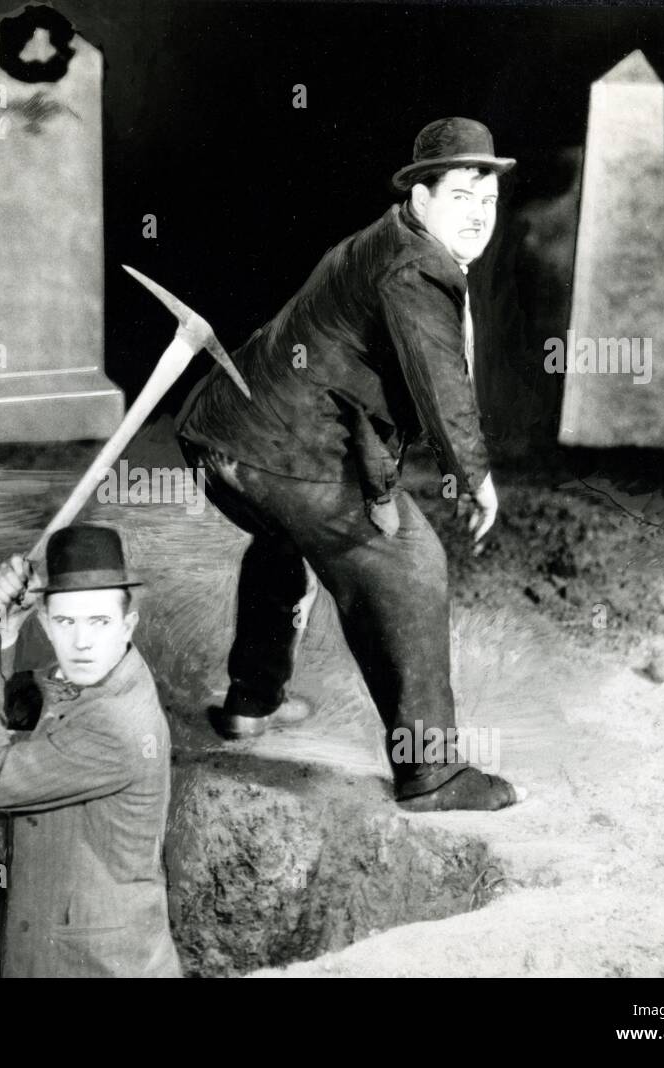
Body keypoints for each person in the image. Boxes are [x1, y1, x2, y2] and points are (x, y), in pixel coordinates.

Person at [176, 117, 523, 811]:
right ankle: (432, 776)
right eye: (462, 197)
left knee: (283, 537)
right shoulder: (416, 268)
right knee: (410, 567)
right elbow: (441, 382)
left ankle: (251, 702)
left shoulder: (390, 239)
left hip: (217, 434)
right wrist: (474, 474)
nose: (479, 216)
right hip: (279, 449)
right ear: (421, 197)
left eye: (487, 202)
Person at [0, 524, 181, 976]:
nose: (83, 642)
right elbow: (22, 723)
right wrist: (6, 633)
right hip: (60, 947)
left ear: (128, 623)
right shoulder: (105, 672)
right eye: (67, 621)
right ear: (47, 624)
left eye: (99, 621)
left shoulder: (118, 724)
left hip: (96, 965)